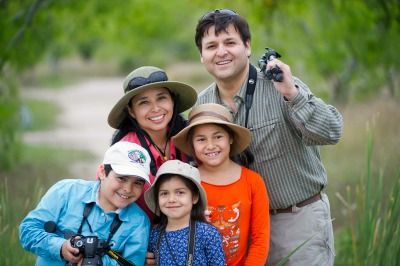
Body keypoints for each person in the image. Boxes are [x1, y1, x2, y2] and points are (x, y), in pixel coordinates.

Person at [194, 9, 343, 266]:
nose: (221, 52)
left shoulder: (281, 85)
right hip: (235, 230)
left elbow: (331, 132)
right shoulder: (202, 104)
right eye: (211, 46)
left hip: (295, 222)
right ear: (201, 56)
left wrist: (292, 94)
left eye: (230, 42)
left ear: (248, 46)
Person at [19, 142, 152, 266]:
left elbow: (133, 263)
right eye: (122, 178)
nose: (128, 189)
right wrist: (60, 247)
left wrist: (99, 261)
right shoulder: (66, 191)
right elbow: (27, 230)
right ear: (102, 172)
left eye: (138, 183)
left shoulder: (139, 222)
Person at [173, 103, 270, 265]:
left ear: (230, 138)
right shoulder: (188, 182)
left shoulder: (253, 181)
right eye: (201, 139)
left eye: (218, 137)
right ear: (192, 144)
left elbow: (260, 239)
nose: (210, 145)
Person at [106, 65, 197, 219]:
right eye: (144, 102)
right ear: (131, 111)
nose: (155, 108)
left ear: (173, 102)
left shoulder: (190, 136)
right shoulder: (125, 149)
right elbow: (108, 200)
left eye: (161, 98)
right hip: (141, 233)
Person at [144, 159, 226, 266]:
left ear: (195, 197)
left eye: (180, 192)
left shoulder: (207, 233)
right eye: (164, 193)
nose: (171, 199)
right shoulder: (155, 234)